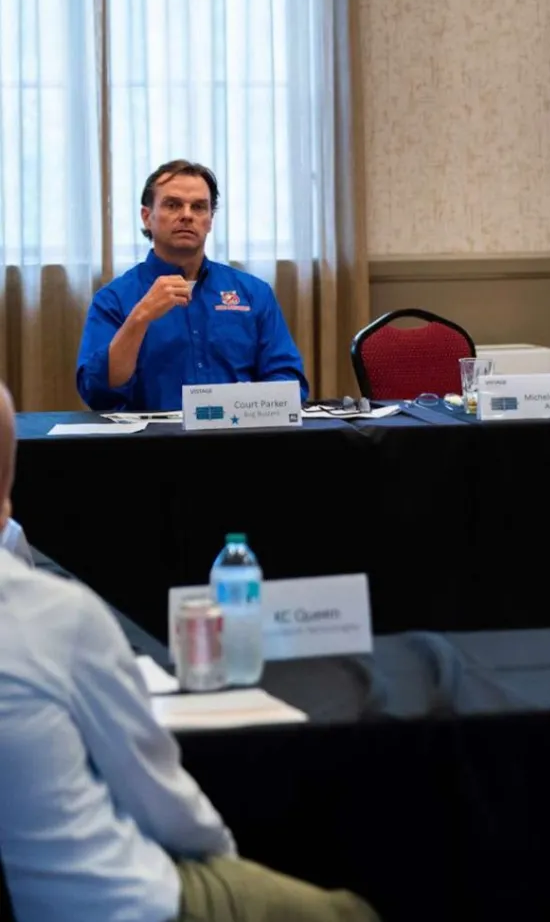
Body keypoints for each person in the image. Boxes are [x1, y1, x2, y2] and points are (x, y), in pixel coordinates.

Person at [0, 383, 376, 922]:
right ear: (9, 484)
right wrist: (227, 862)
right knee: (346, 912)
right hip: (106, 904)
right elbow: (160, 801)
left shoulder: (251, 298)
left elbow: (291, 385)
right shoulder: (53, 616)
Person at [76, 160, 308, 412]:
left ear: (209, 220)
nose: (187, 215)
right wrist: (140, 318)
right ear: (147, 217)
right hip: (151, 446)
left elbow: (288, 382)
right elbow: (97, 392)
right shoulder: (113, 299)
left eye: (198, 207)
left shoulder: (253, 293)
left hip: (240, 440)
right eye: (173, 205)